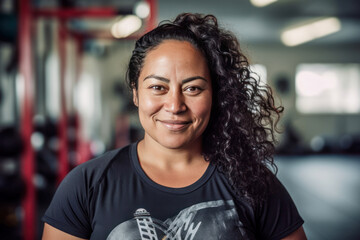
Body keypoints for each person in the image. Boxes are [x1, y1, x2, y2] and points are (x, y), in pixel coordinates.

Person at [42, 13, 306, 240]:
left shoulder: (253, 184)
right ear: (135, 93)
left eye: (193, 88)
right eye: (158, 87)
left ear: (215, 95)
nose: (175, 104)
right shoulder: (85, 186)